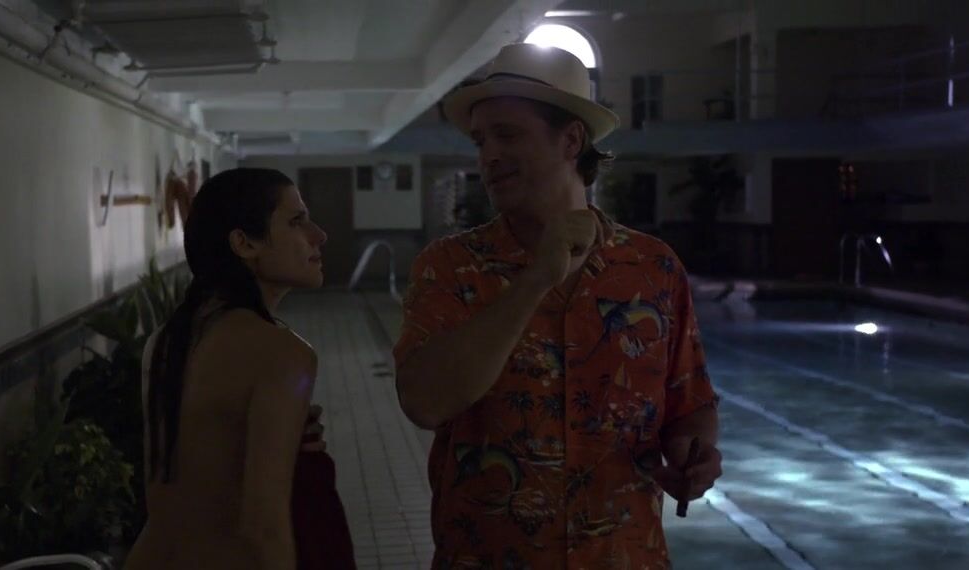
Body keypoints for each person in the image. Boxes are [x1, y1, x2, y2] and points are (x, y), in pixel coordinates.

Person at [394, 43, 722, 568]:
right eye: (481, 140)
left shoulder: (652, 267)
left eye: (506, 135)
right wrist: (534, 281)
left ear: (571, 140)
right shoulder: (451, 267)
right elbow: (425, 402)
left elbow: (691, 403)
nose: (488, 155)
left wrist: (695, 457)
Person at [124, 168, 354, 570]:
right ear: (244, 243)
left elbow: (170, 504)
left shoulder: (164, 342)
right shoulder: (281, 352)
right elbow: (263, 528)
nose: (319, 235)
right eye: (296, 221)